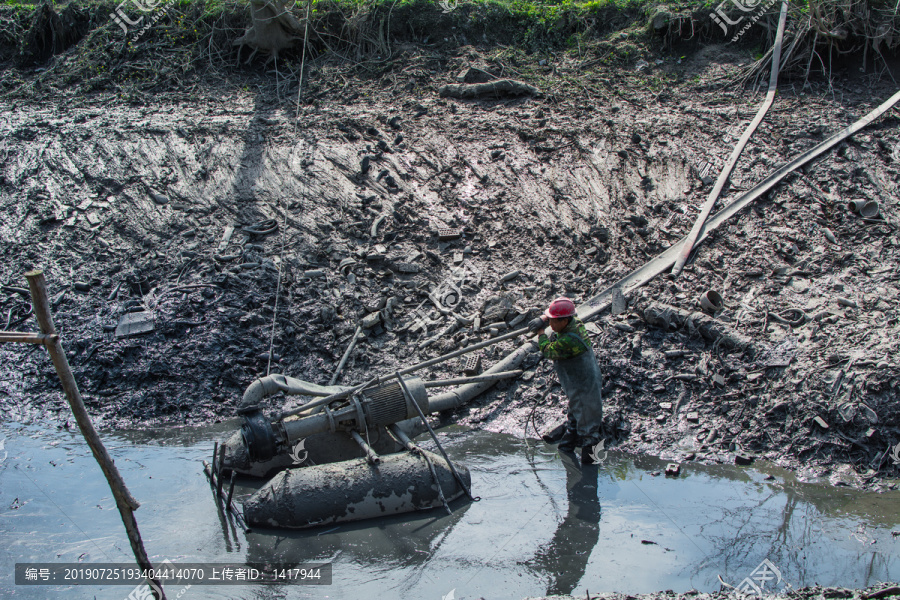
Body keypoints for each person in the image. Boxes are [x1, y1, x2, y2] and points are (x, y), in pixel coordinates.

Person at [534, 297, 604, 458]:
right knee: (575, 413)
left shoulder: (569, 339)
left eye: (553, 321)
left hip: (582, 384)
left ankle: (590, 463)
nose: (550, 324)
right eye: (549, 320)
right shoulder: (575, 323)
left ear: (564, 321)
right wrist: (543, 318)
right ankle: (566, 449)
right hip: (586, 379)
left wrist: (541, 334)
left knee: (588, 425)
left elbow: (548, 351)